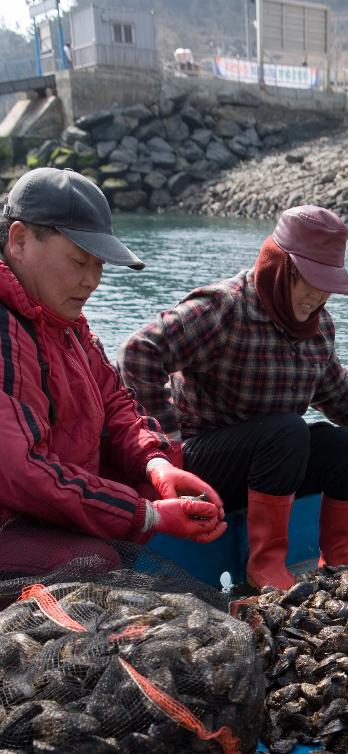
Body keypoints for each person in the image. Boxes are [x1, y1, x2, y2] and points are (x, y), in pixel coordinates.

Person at [117, 205, 348, 591]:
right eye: (310, 282)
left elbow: (337, 392)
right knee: (286, 431)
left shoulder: (317, 327)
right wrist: (167, 449)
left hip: (275, 464)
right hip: (201, 468)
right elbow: (139, 352)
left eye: (327, 285)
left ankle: (339, 559)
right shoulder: (224, 308)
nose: (318, 297)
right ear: (281, 268)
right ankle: (264, 568)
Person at [0, 168, 225, 574]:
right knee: (93, 561)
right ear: (19, 241)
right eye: (78, 261)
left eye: (98, 264)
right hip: (8, 521)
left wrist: (157, 464)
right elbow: (25, 470)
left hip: (34, 514)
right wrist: (147, 515)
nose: (92, 281)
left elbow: (117, 403)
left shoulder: (66, 322)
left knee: (142, 485)